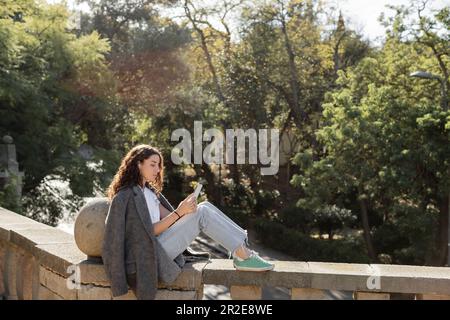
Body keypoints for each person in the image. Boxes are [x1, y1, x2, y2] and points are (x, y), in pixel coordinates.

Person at [102, 144, 274, 299]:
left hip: (159, 246)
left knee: (203, 206)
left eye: (159, 165)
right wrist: (179, 213)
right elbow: (147, 231)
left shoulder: (149, 192)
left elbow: (171, 220)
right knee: (203, 212)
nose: (157, 169)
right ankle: (244, 255)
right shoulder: (126, 196)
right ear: (138, 164)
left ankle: (241, 250)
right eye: (152, 164)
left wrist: (185, 210)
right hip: (148, 256)